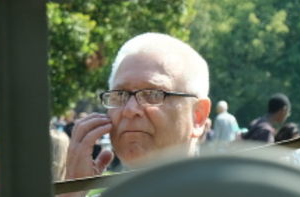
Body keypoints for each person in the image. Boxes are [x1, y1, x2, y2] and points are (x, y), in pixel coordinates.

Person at [65, 32, 212, 181]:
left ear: (198, 116)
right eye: (120, 94)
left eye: (152, 95)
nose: (130, 110)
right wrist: (71, 193)